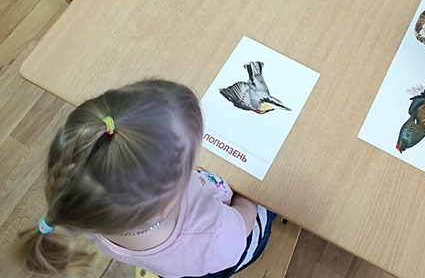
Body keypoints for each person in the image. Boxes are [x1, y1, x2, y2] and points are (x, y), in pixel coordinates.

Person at [17, 80, 275, 278]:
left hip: (177, 261)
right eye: (192, 158)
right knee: (274, 199)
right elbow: (244, 222)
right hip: (230, 244)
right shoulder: (214, 236)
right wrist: (250, 197)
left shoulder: (86, 213)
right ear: (167, 202)